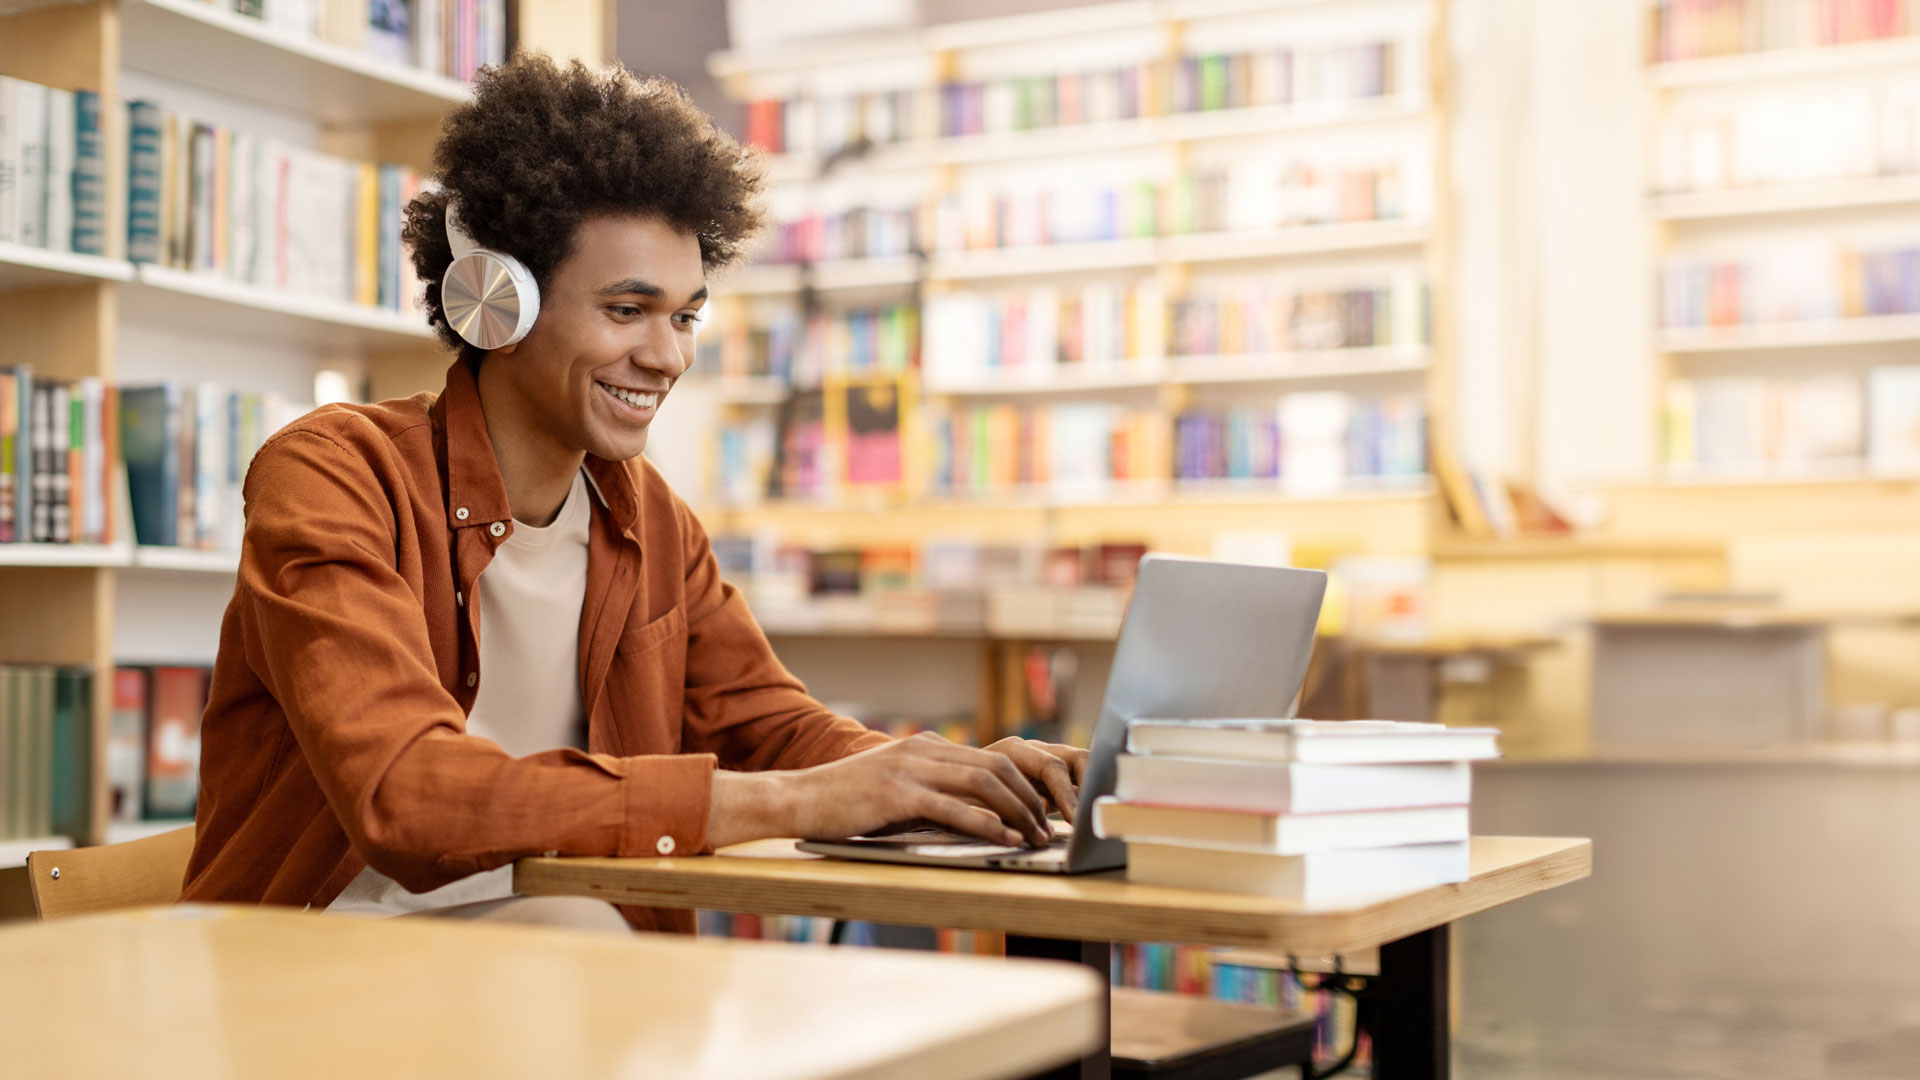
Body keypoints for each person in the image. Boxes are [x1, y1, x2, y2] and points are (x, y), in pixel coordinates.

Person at [179, 54, 1087, 933]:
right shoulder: (334, 474)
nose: (669, 356)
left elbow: (765, 727)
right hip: (313, 962)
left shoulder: (648, 516)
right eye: (627, 311)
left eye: (686, 315)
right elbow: (407, 796)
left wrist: (940, 776)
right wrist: (803, 799)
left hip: (555, 958)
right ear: (499, 303)